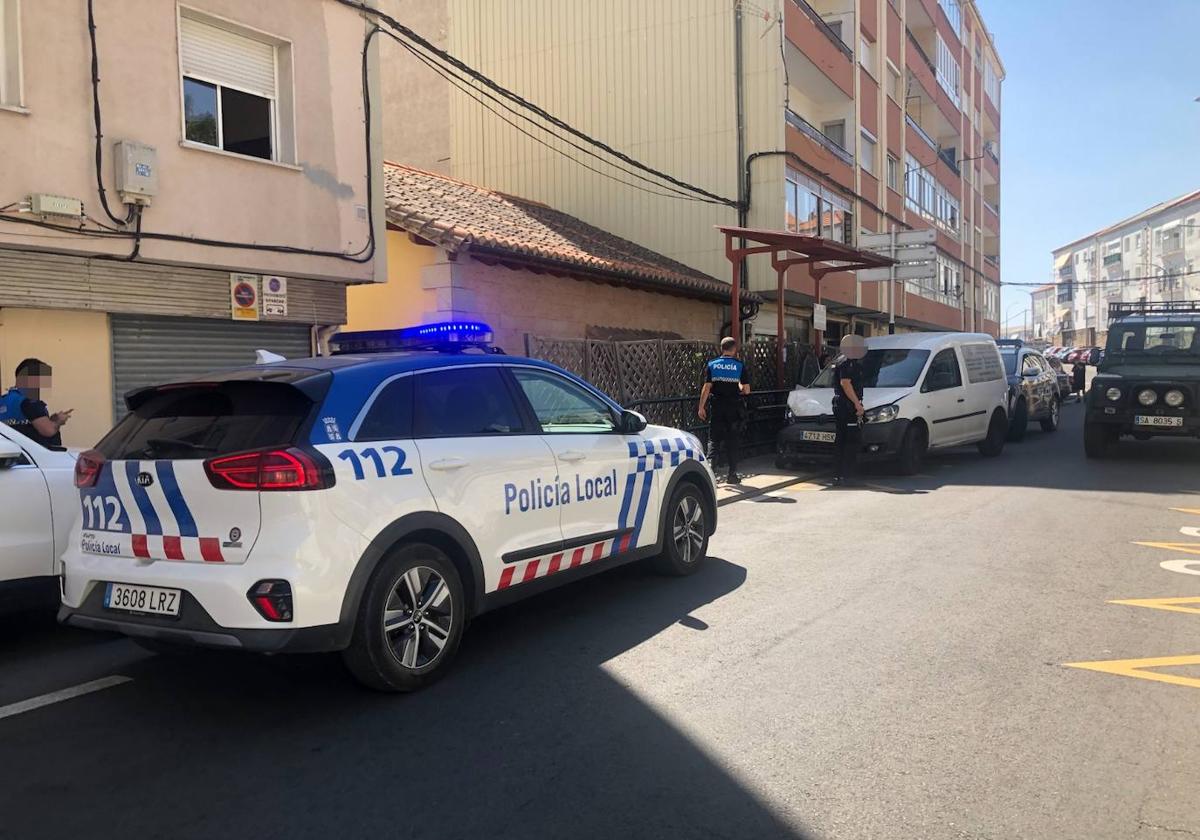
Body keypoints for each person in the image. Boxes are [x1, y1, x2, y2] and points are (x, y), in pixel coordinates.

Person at [698, 336, 750, 484]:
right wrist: (738, 385)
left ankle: (710, 472)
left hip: (717, 407)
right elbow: (746, 390)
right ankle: (732, 475)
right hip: (733, 409)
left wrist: (701, 406)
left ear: (722, 348)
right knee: (732, 441)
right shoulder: (739, 365)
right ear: (734, 349)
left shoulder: (712, 364)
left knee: (713, 440)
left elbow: (707, 387)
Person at [0, 358, 72, 448]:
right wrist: (59, 421)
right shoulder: (29, 402)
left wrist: (51, 420)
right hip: (36, 456)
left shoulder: (4, 401)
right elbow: (48, 430)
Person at [831, 334, 867, 486]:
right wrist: (857, 405)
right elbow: (846, 383)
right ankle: (844, 474)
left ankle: (841, 474)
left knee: (842, 440)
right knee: (849, 441)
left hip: (843, 405)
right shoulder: (847, 362)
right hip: (847, 406)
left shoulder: (841, 360)